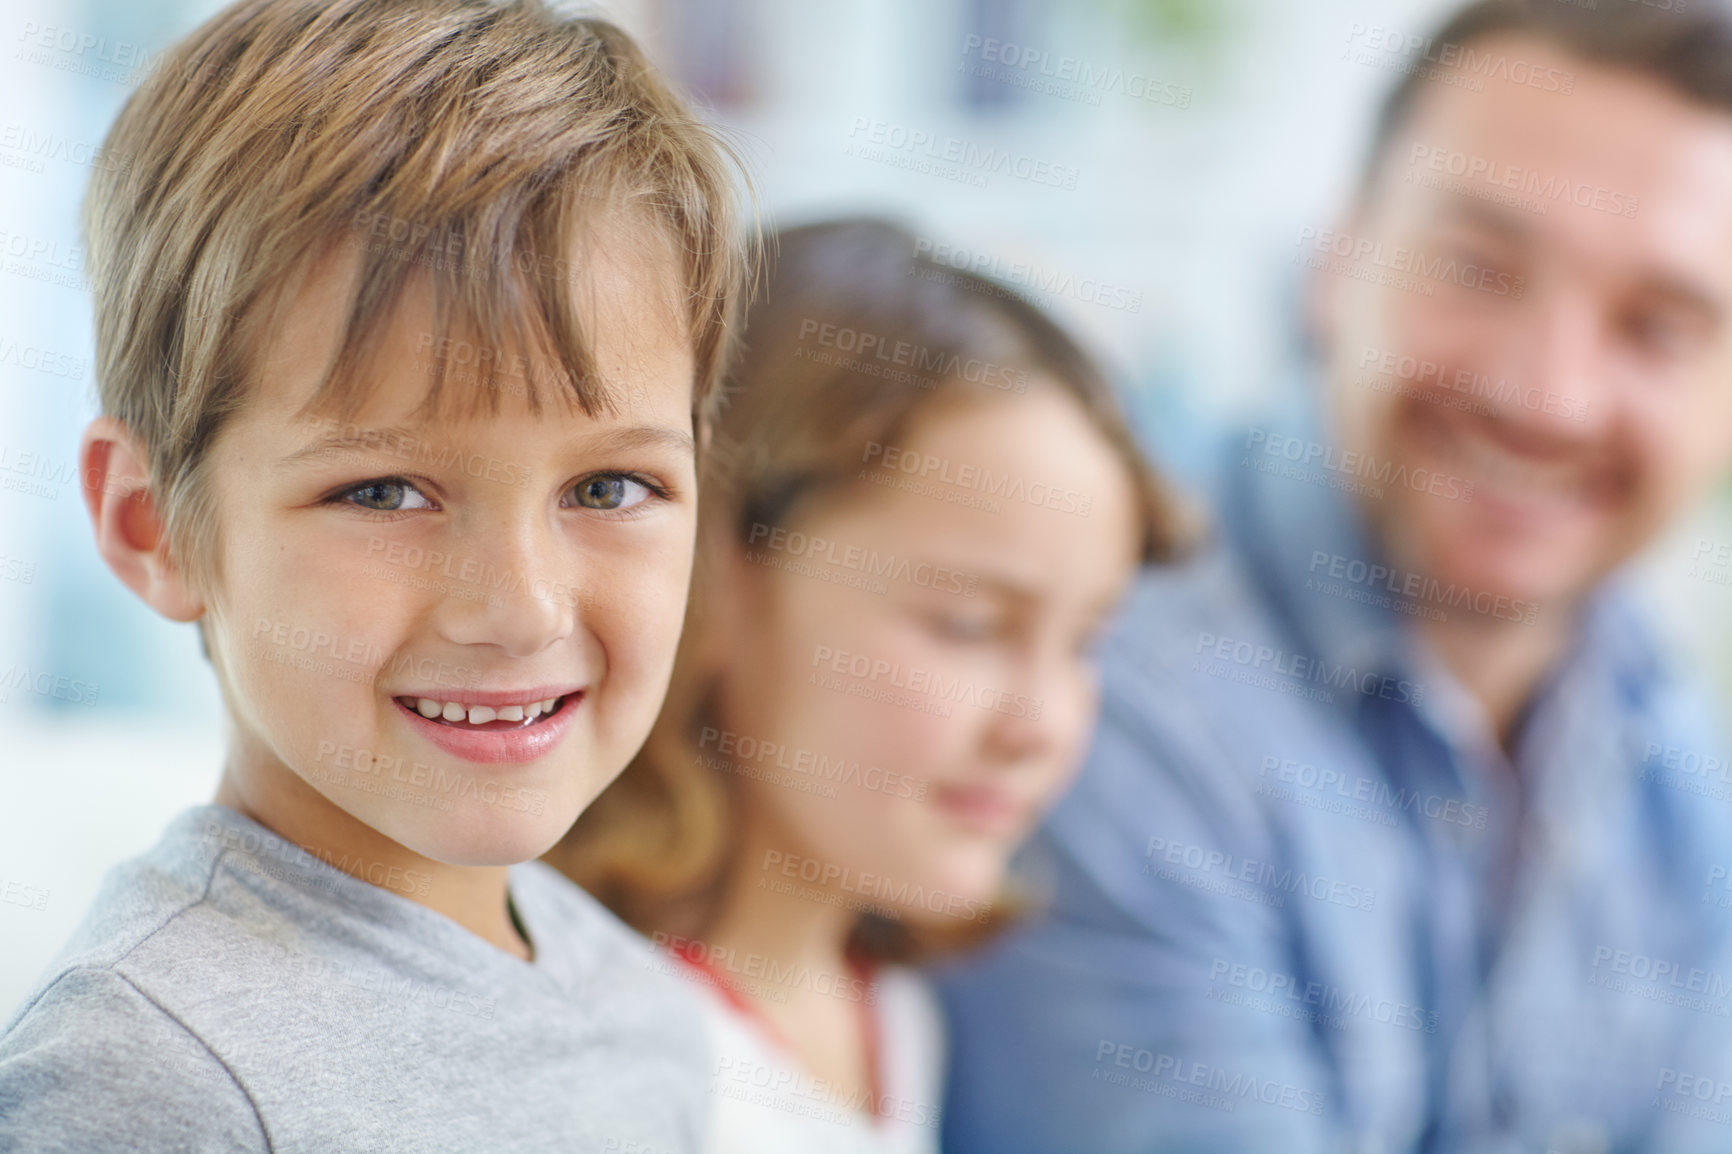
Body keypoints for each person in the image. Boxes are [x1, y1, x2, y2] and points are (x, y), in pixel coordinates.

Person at [939, 2, 1732, 1152]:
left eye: (1656, 328)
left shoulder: (1663, 731)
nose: (1547, 395)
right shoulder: (1097, 680)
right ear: (1333, 264)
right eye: (1478, 267)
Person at [0, 1, 747, 1150]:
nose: (520, 607)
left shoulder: (643, 1010)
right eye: (384, 492)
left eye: (607, 488)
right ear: (154, 524)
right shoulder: (144, 1077)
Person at [544, 217, 1186, 1153]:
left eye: (1086, 642)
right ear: (718, 577)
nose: (1041, 724)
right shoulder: (599, 1067)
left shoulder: (896, 1018)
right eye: (968, 625)